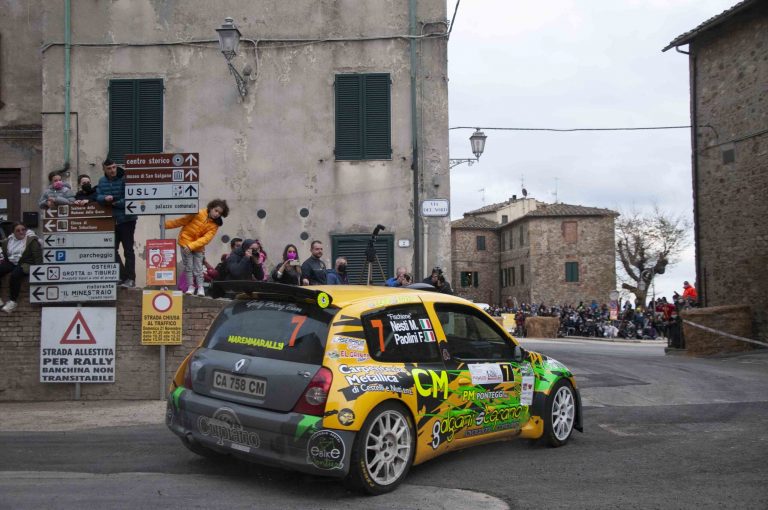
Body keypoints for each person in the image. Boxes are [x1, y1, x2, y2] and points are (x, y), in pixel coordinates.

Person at [165, 199, 229, 296]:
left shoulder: (215, 225)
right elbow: (182, 221)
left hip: (198, 247)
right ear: (211, 208)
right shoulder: (197, 213)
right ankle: (190, 287)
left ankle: (200, 288)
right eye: (216, 210)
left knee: (199, 268)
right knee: (189, 267)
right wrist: (165, 225)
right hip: (185, 243)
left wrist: (192, 246)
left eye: (220, 213)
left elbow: (206, 239)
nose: (217, 214)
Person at [97, 159, 137, 288]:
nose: (112, 170)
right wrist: (104, 198)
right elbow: (98, 196)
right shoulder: (101, 181)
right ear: (104, 169)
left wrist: (114, 203)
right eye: (109, 168)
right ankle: (122, 276)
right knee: (111, 250)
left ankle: (131, 278)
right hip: (111, 220)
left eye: (114, 167)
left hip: (127, 219)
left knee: (128, 250)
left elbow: (131, 198)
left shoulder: (125, 179)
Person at [0, 222, 43, 313]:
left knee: (15, 275)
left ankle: (13, 301)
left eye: (23, 229)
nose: (21, 232)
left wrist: (39, 269)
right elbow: (5, 254)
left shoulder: (31, 240)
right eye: (18, 230)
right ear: (13, 232)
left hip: (26, 263)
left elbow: (37, 256)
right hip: (11, 262)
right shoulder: (8, 241)